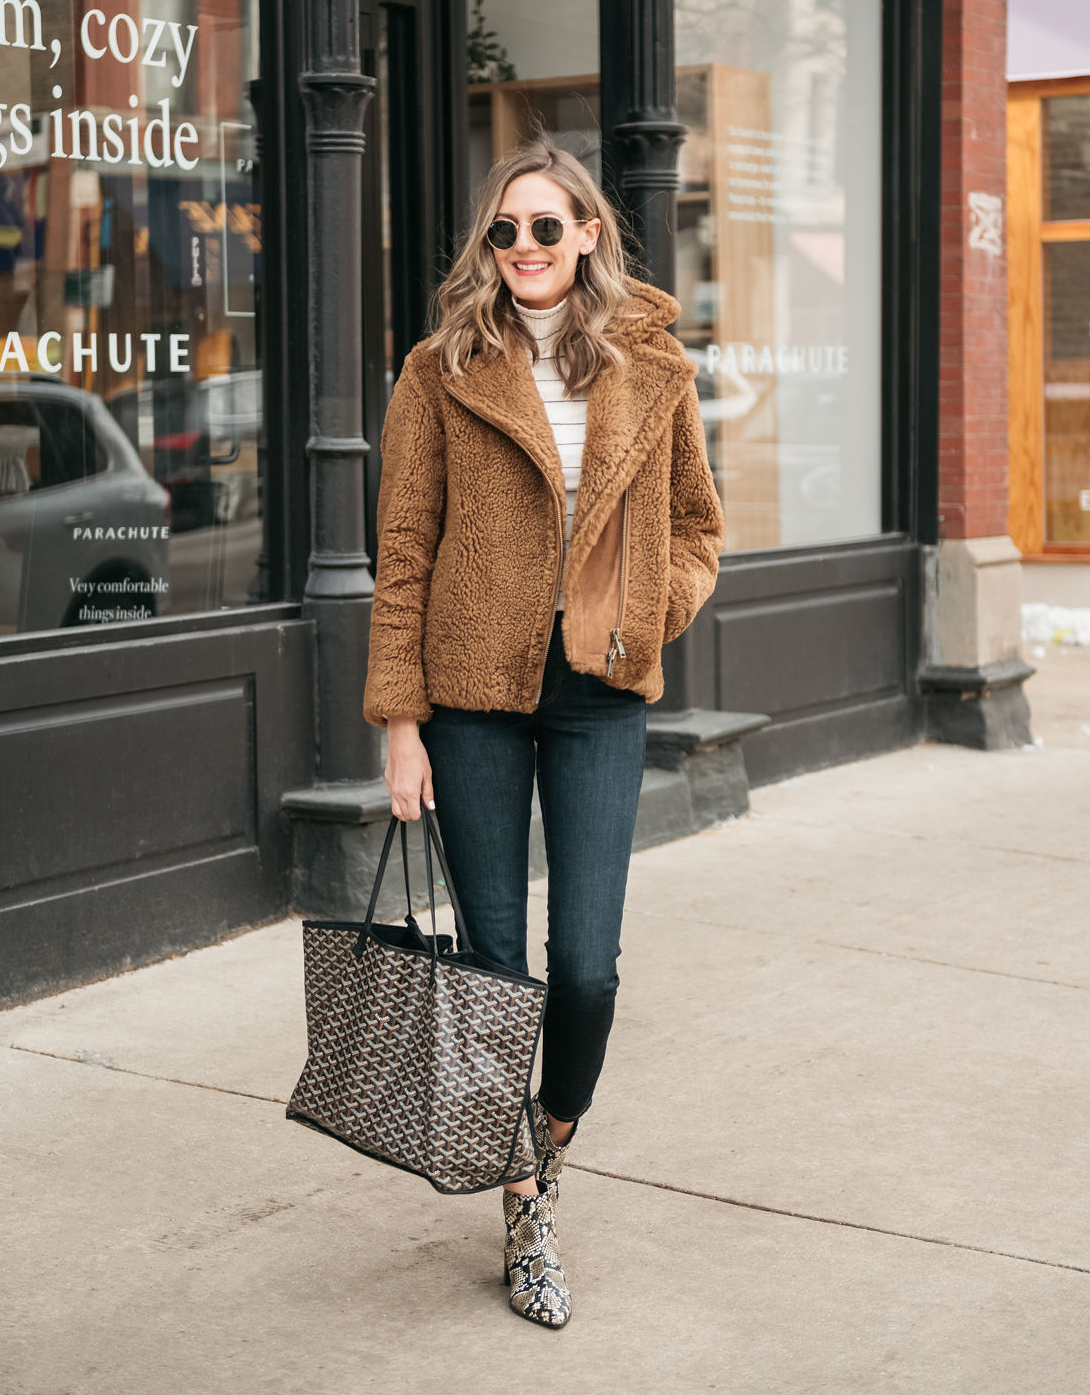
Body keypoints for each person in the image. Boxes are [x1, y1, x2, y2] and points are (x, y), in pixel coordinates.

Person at [362, 141, 723, 1329]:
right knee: (493, 975)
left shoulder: (650, 367)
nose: (523, 248)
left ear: (588, 239)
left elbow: (697, 529)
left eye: (545, 229)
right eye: (504, 231)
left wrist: (648, 611)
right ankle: (523, 1206)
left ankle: (547, 1143)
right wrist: (399, 724)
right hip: (468, 696)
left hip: (598, 697)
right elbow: (404, 551)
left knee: (585, 970)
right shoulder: (440, 369)